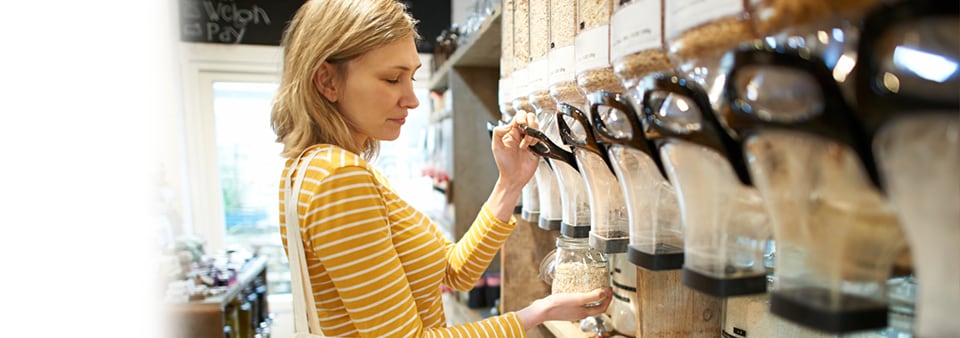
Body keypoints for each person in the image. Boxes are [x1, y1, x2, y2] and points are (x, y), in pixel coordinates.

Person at [270, 0, 613, 336]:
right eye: (392, 79)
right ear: (327, 81)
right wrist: (539, 312)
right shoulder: (339, 178)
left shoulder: (306, 169)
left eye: (412, 78)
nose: (412, 98)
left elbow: (453, 271)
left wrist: (510, 183)